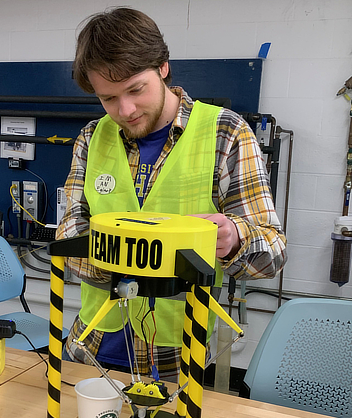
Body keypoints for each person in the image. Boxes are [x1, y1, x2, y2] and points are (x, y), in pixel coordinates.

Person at [56, 6, 287, 382]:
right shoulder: (91, 137)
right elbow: (68, 237)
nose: (125, 110)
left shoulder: (226, 134)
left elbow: (272, 256)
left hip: (178, 355)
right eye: (108, 98)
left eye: (135, 90)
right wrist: (146, 263)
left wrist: (234, 237)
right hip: (92, 345)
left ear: (163, 66)